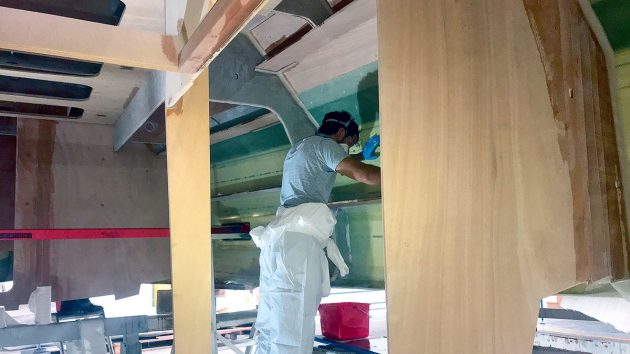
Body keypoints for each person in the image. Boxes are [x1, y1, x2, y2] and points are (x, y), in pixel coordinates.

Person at [250, 111, 381, 354]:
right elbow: (361, 174)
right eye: (351, 144)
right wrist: (399, 176)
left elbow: (325, 166)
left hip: (277, 241)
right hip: (298, 246)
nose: (348, 150)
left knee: (272, 323)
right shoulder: (327, 145)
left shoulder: (300, 148)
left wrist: (362, 155)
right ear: (341, 133)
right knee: (295, 325)